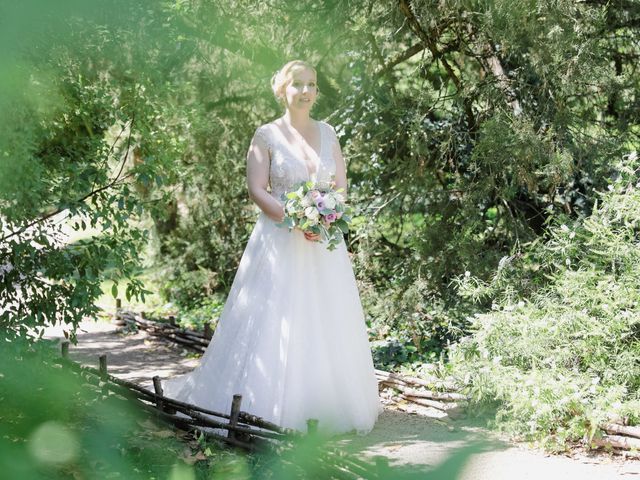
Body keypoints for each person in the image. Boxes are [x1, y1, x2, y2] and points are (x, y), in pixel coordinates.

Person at [163, 60, 382, 436]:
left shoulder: (328, 133)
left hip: (322, 244)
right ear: (283, 89)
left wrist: (324, 220)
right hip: (279, 241)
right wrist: (296, 219)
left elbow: (340, 187)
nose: (306, 91)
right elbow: (257, 189)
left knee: (325, 319)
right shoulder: (266, 135)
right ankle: (268, 409)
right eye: (298, 84)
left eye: (312, 84)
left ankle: (328, 406)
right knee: (277, 320)